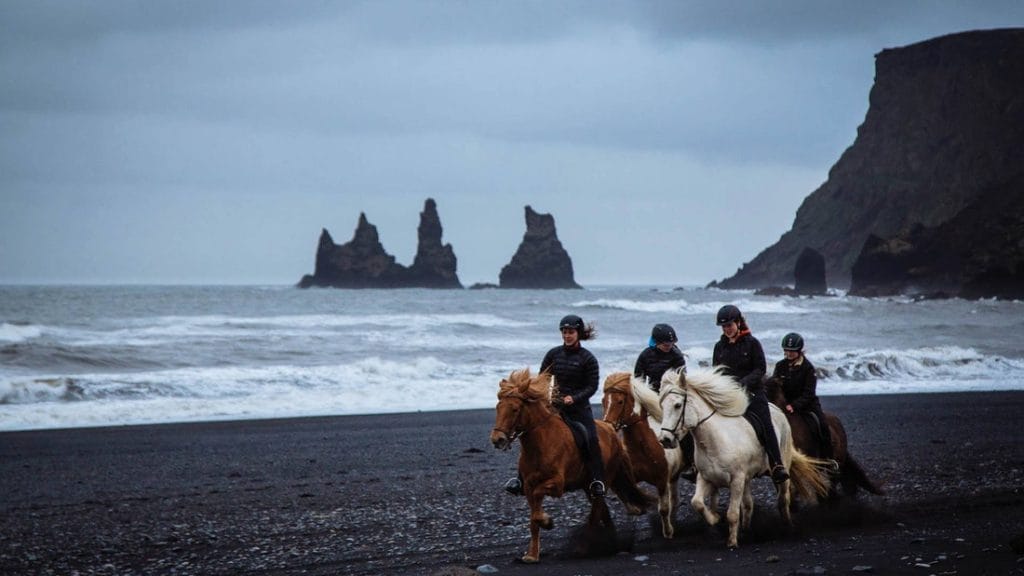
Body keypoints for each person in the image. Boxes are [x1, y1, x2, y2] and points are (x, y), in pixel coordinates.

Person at [505, 314, 606, 498]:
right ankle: (520, 479)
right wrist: (541, 397)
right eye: (565, 332)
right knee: (528, 434)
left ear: (579, 333)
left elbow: (592, 386)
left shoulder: (588, 358)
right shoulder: (553, 354)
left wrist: (574, 398)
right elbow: (543, 379)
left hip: (579, 409)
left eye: (571, 332)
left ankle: (596, 480)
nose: (567, 336)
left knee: (591, 438)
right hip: (555, 406)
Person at [712, 304, 790, 484]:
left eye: (729, 325)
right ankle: (700, 465)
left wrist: (744, 383)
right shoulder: (719, 347)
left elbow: (760, 368)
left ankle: (777, 464)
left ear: (738, 323)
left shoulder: (752, 343)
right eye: (724, 327)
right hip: (729, 395)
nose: (727, 329)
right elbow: (716, 370)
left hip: (752, 392)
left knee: (766, 423)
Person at [772, 332, 833, 461]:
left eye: (792, 351)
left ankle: (829, 457)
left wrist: (794, 406)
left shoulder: (808, 368)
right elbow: (775, 386)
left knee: (822, 425)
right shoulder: (780, 366)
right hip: (785, 404)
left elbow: (809, 393)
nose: (789, 354)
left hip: (807, 405)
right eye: (786, 350)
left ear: (799, 351)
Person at [633, 323, 686, 393]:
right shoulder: (645, 355)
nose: (669, 347)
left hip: (672, 391)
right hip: (653, 391)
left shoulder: (677, 355)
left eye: (671, 344)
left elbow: (682, 379)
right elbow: (638, 380)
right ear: (657, 342)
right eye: (666, 345)